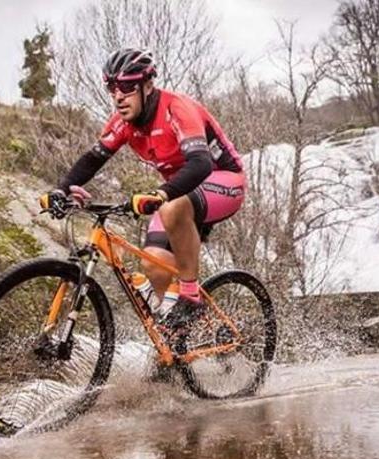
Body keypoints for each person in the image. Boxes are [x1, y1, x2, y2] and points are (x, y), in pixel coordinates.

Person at [39, 48, 245, 331]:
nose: (118, 95)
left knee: (172, 206)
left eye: (126, 86)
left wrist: (160, 194)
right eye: (112, 87)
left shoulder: (176, 109)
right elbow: (92, 160)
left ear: (148, 85)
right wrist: (61, 190)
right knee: (154, 267)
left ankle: (191, 298)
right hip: (178, 193)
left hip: (223, 182)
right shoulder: (123, 122)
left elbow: (200, 164)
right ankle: (182, 341)